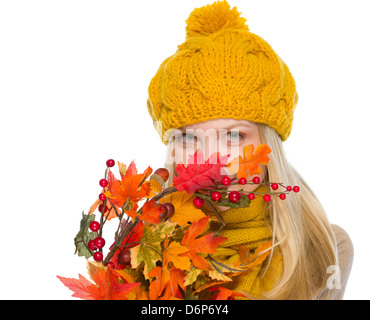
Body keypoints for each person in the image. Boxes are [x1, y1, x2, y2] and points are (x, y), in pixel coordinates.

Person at [146, 0, 353, 300]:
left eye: (233, 135)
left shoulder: (322, 252)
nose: (213, 161)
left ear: (268, 143)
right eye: (190, 138)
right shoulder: (146, 252)